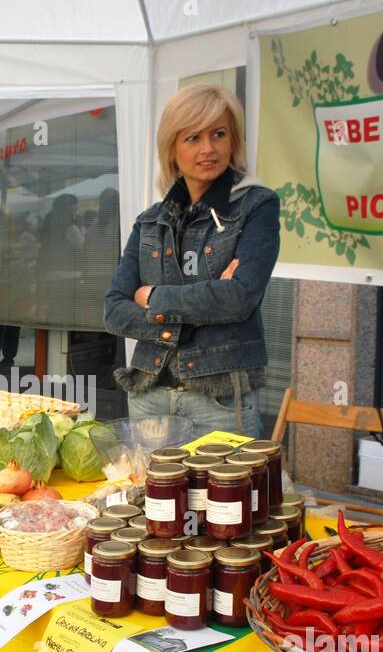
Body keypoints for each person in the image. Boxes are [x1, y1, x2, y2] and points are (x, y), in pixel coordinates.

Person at [104, 83, 279, 436]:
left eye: (219, 134)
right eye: (193, 137)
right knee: (152, 493)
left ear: (234, 141)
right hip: (148, 392)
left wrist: (152, 298)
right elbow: (114, 310)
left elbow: (239, 297)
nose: (208, 149)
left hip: (218, 399)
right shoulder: (150, 221)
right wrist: (205, 304)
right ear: (172, 148)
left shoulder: (255, 206)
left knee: (226, 493)